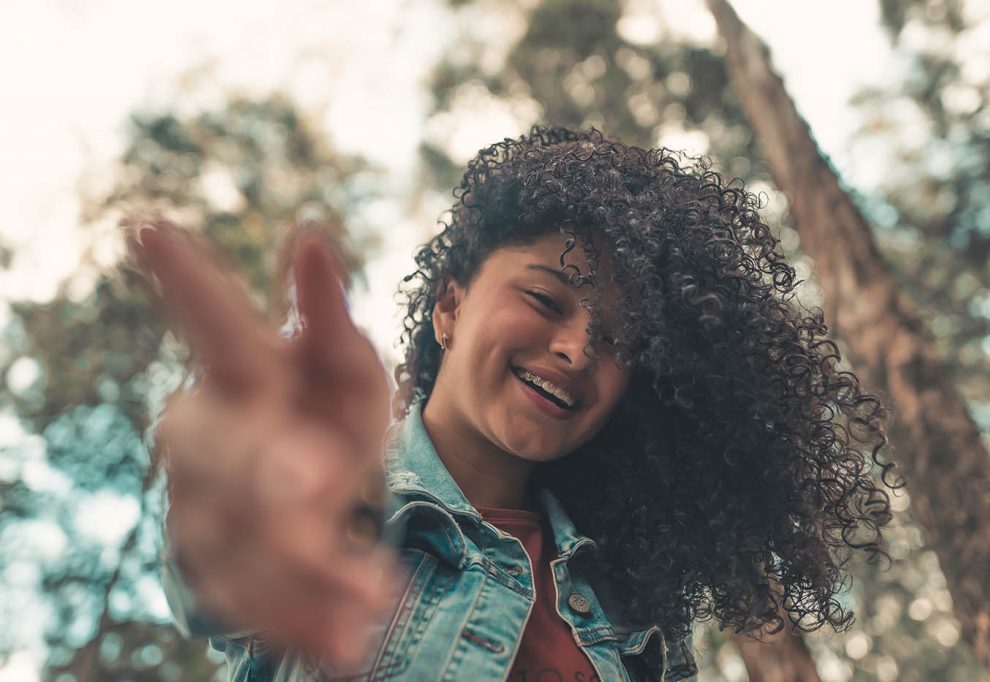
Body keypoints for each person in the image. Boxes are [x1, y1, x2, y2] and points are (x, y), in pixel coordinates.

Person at [142, 126, 897, 681]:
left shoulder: (637, 616)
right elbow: (226, 574)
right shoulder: (346, 511)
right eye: (544, 298)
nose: (576, 349)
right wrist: (248, 505)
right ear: (449, 307)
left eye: (620, 341)